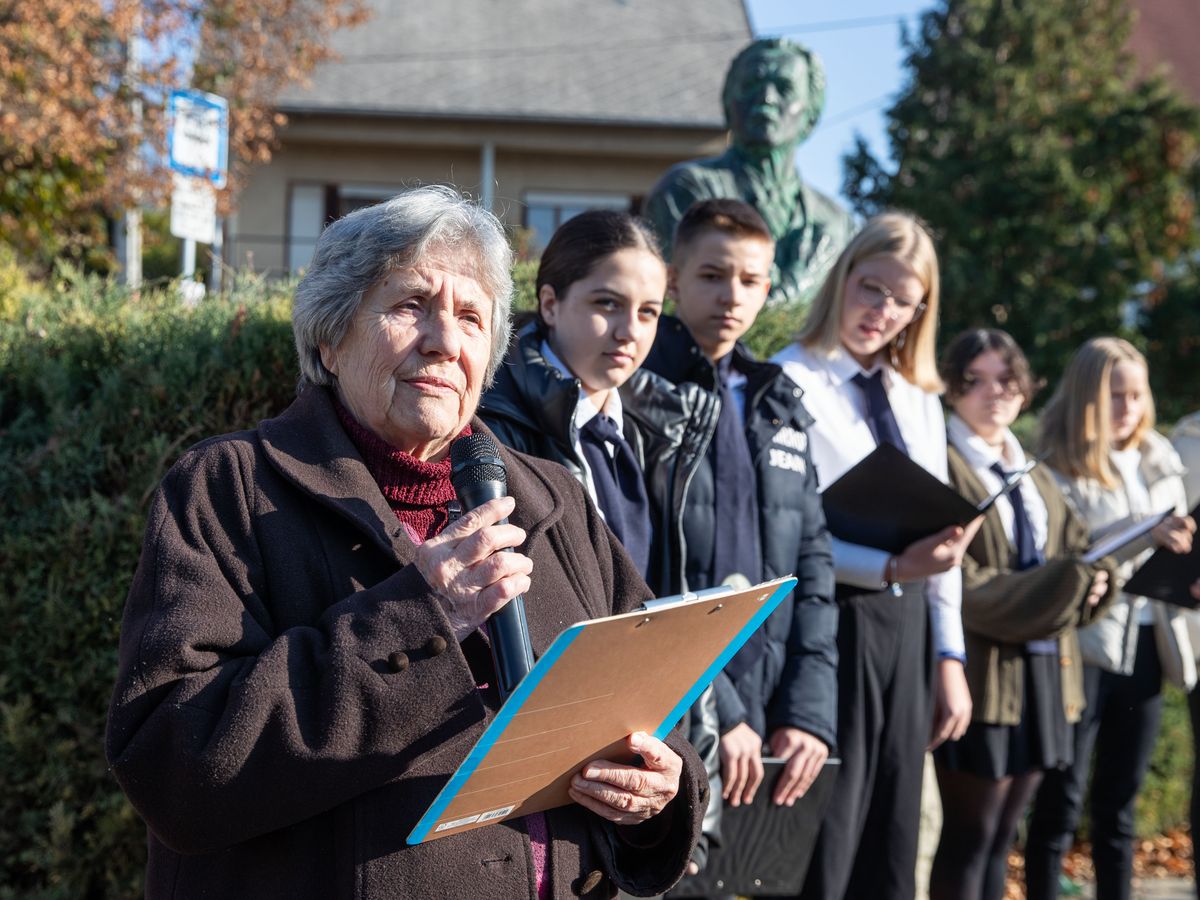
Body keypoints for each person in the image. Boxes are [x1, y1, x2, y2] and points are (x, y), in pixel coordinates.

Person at [105, 185, 708, 900]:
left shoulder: (554, 497)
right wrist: (424, 616)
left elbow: (651, 707)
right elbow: (176, 764)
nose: (444, 341)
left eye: (471, 318)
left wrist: (659, 785)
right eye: (409, 306)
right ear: (329, 337)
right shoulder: (228, 487)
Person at [478, 209, 723, 876]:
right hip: (547, 759)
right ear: (550, 303)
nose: (628, 331)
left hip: (642, 737)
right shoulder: (492, 428)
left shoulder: (657, 430)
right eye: (607, 305)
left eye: (647, 312)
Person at [772, 211, 978, 900]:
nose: (882, 311)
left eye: (902, 301)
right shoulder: (788, 380)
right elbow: (788, 533)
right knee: (830, 837)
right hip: (835, 621)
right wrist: (888, 568)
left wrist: (949, 657)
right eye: (871, 289)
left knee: (893, 836)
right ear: (843, 279)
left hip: (912, 630)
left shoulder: (919, 399)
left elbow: (942, 542)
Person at [637, 198, 838, 826]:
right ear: (673, 279)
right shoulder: (639, 391)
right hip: (673, 706)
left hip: (768, 710)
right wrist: (721, 709)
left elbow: (813, 567)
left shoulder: (779, 401)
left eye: (750, 281)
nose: (731, 295)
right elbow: (644, 571)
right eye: (711, 275)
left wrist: (806, 714)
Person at [928, 329, 1115, 900]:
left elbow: (1078, 554)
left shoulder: (1033, 471)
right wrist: (1069, 583)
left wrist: (1097, 583)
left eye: (1006, 380)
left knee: (1004, 836)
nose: (995, 393)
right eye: (975, 381)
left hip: (1044, 675)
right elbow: (962, 585)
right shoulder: (943, 461)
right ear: (951, 388)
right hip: (984, 676)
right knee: (970, 837)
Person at [1025, 337, 1197, 900]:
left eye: (1136, 394)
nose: (1127, 407)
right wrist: (1140, 536)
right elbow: (1061, 561)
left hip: (1149, 641)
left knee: (1119, 805)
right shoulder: (1056, 466)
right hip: (1084, 645)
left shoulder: (1161, 459)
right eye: (1114, 395)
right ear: (1085, 397)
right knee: (1061, 802)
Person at [643, 37, 855, 306]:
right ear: (728, 103)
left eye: (784, 88)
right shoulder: (687, 190)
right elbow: (679, 301)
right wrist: (798, 286)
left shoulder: (837, 223)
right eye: (751, 85)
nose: (766, 98)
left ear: (811, 115)